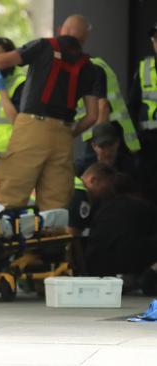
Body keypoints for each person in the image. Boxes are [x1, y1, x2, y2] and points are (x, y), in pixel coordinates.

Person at [0, 14, 101, 211]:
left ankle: (6, 239)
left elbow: (4, 60)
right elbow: (92, 116)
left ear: (61, 28)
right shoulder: (89, 67)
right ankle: (54, 241)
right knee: (56, 207)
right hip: (63, 135)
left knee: (8, 197)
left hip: (33, 129)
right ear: (84, 38)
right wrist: (68, 134)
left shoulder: (44, 46)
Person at [77, 163, 157, 295]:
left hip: (96, 266)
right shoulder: (145, 206)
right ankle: (150, 275)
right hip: (128, 262)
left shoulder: (101, 208)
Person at [129, 23, 157, 206]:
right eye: (155, 39)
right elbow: (132, 107)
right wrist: (134, 141)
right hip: (150, 142)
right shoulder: (144, 68)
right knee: (149, 190)